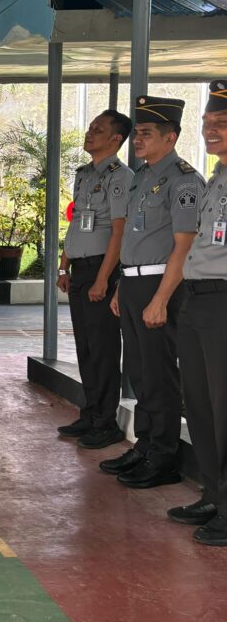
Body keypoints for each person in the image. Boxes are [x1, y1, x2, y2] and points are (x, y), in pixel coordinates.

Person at [102, 95, 202, 488]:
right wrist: (121, 286)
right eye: (137, 133)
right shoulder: (142, 176)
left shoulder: (183, 179)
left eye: (146, 133)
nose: (137, 140)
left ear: (170, 137)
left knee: (159, 375)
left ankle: (163, 457)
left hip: (162, 285)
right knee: (140, 372)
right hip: (133, 282)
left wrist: (160, 299)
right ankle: (144, 446)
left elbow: (184, 246)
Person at [167, 81, 227, 543]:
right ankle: (214, 494)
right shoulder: (216, 179)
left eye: (221, 123)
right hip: (196, 299)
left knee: (224, 407)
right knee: (201, 406)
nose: (211, 130)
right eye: (207, 123)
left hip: (223, 301)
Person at [56, 109, 134, 447]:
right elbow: (76, 222)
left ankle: (106, 422)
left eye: (98, 129)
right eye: (90, 127)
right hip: (80, 269)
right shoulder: (84, 174)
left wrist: (103, 280)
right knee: (85, 347)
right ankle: (90, 413)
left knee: (103, 349)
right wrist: (64, 266)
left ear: (115, 139)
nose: (90, 133)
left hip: (103, 268)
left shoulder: (121, 177)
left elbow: (119, 232)